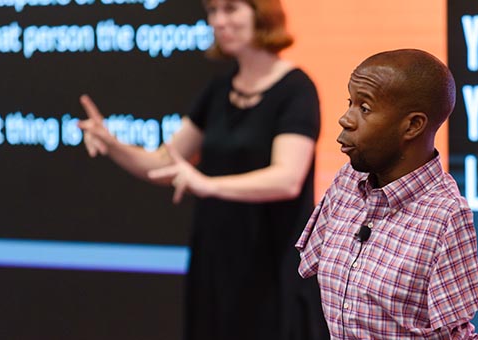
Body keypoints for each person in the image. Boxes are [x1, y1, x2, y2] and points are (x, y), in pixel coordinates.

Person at [77, 0, 328, 339]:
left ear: (262, 13)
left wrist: (208, 184)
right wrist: (111, 143)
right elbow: (163, 162)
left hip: (272, 259)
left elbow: (287, 179)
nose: (219, 21)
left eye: (230, 9)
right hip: (218, 258)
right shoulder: (218, 90)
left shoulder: (296, 89)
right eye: (212, 12)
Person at [295, 49, 478, 339]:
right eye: (350, 103)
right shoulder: (347, 181)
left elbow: (455, 333)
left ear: (412, 125)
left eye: (365, 108)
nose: (346, 119)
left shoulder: (446, 216)